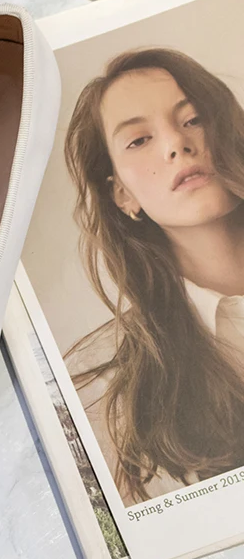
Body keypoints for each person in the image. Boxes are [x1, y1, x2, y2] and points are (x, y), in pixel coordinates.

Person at [64, 47, 244, 506]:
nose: (175, 144)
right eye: (139, 140)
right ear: (123, 194)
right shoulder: (99, 386)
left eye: (193, 119)